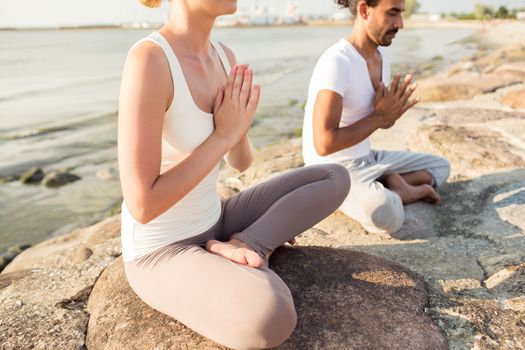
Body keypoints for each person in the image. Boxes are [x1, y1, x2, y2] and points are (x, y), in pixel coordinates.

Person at [117, 0, 350, 349]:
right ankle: (237, 252)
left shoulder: (224, 56)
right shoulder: (150, 60)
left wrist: (238, 127)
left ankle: (246, 244)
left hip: (217, 218)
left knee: (334, 177)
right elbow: (142, 204)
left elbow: (240, 162)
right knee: (272, 317)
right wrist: (222, 135)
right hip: (161, 249)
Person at [302, 0, 451, 235]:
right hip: (333, 170)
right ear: (364, 10)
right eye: (392, 13)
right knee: (385, 214)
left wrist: (390, 114)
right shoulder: (337, 61)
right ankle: (402, 191)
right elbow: (324, 143)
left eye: (401, 14)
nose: (400, 23)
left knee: (441, 166)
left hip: (367, 158)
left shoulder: (381, 56)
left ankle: (389, 183)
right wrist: (380, 116)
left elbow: (381, 121)